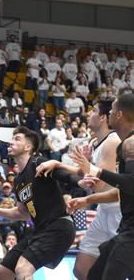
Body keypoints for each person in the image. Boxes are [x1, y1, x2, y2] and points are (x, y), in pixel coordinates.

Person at [0, 126, 77, 279]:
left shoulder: (38, 163)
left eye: (17, 139)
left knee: (23, 268)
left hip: (59, 227)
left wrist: (81, 181)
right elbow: (22, 213)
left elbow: (69, 177)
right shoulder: (18, 181)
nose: (11, 142)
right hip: (41, 230)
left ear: (28, 147)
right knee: (2, 272)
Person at [37, 100, 121, 280]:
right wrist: (57, 162)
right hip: (103, 211)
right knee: (81, 269)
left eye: (94, 110)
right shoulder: (94, 141)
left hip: (119, 213)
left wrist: (87, 164)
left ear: (104, 117)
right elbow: (82, 172)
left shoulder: (112, 142)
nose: (89, 113)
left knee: (120, 269)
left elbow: (98, 186)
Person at [68, 94, 134, 279]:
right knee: (87, 272)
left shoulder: (130, 144)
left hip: (124, 221)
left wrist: (95, 171)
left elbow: (130, 184)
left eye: (112, 111)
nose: (109, 114)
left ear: (119, 115)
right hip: (121, 221)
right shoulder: (123, 144)